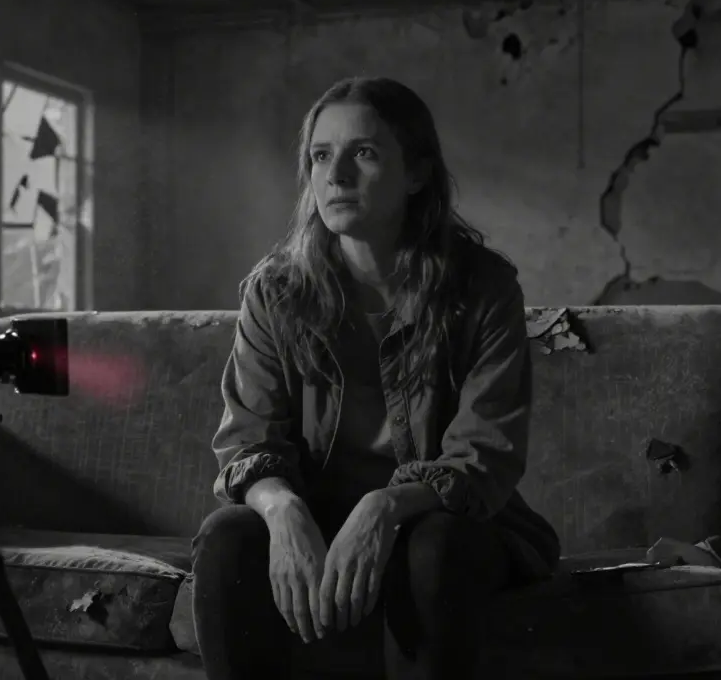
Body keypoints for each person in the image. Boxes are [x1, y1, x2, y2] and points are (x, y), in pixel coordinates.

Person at [190, 76, 561, 680]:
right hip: (317, 515)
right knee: (228, 537)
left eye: (363, 152)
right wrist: (282, 510)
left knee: (433, 547)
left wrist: (384, 507)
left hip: (440, 524)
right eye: (320, 155)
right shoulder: (274, 291)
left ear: (416, 173)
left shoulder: (483, 287)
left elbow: (485, 454)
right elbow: (249, 442)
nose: (335, 175)